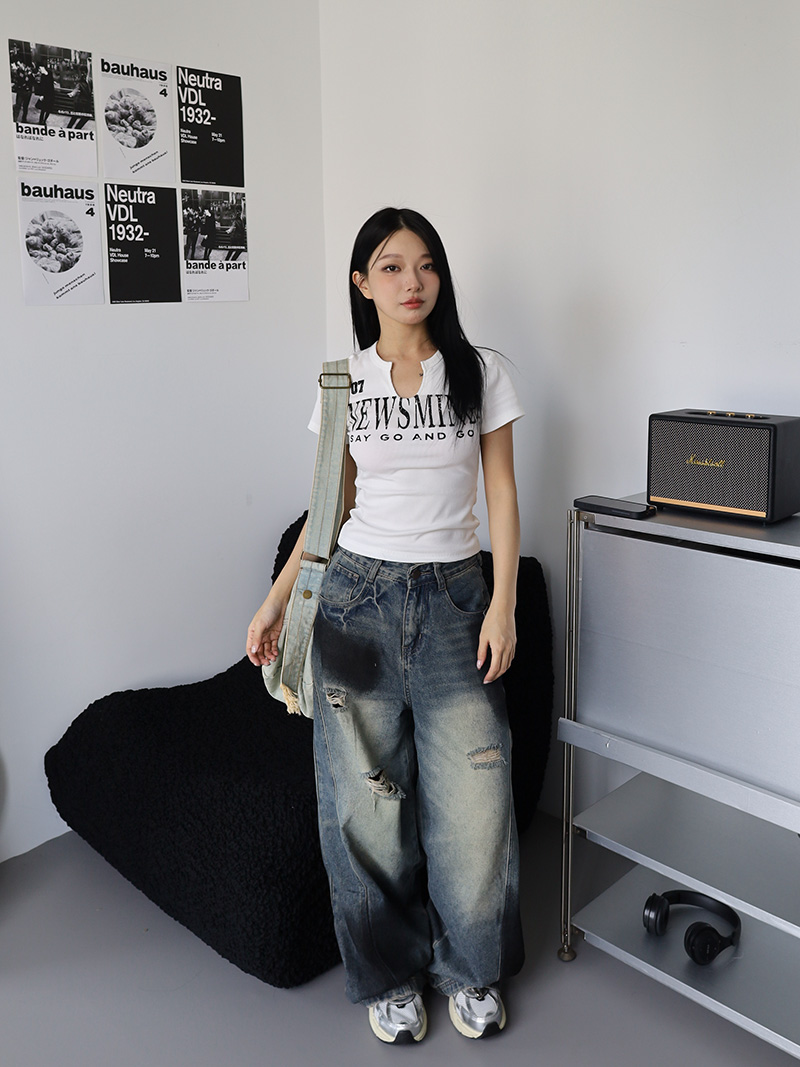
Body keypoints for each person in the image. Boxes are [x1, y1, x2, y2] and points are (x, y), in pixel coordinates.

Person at [247, 207, 525, 1045]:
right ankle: (390, 977)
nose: (414, 281)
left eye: (427, 264)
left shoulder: (481, 371)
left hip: (455, 599)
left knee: (474, 799)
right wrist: (275, 602)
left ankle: (469, 967)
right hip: (356, 602)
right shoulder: (342, 384)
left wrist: (504, 602)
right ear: (362, 282)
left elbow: (502, 492)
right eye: (393, 266)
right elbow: (326, 508)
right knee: (364, 805)